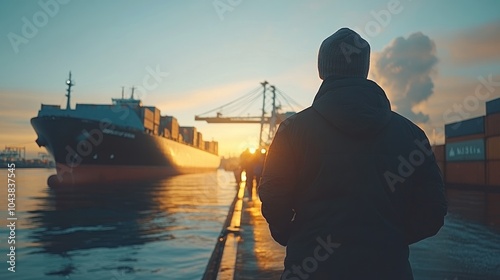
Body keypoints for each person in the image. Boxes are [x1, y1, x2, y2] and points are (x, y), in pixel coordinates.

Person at [258, 28, 447, 279]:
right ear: (364, 68)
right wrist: (392, 238)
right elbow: (433, 210)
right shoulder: (412, 134)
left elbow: (273, 195)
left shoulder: (292, 130)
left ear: (323, 70)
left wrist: (290, 234)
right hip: (388, 269)